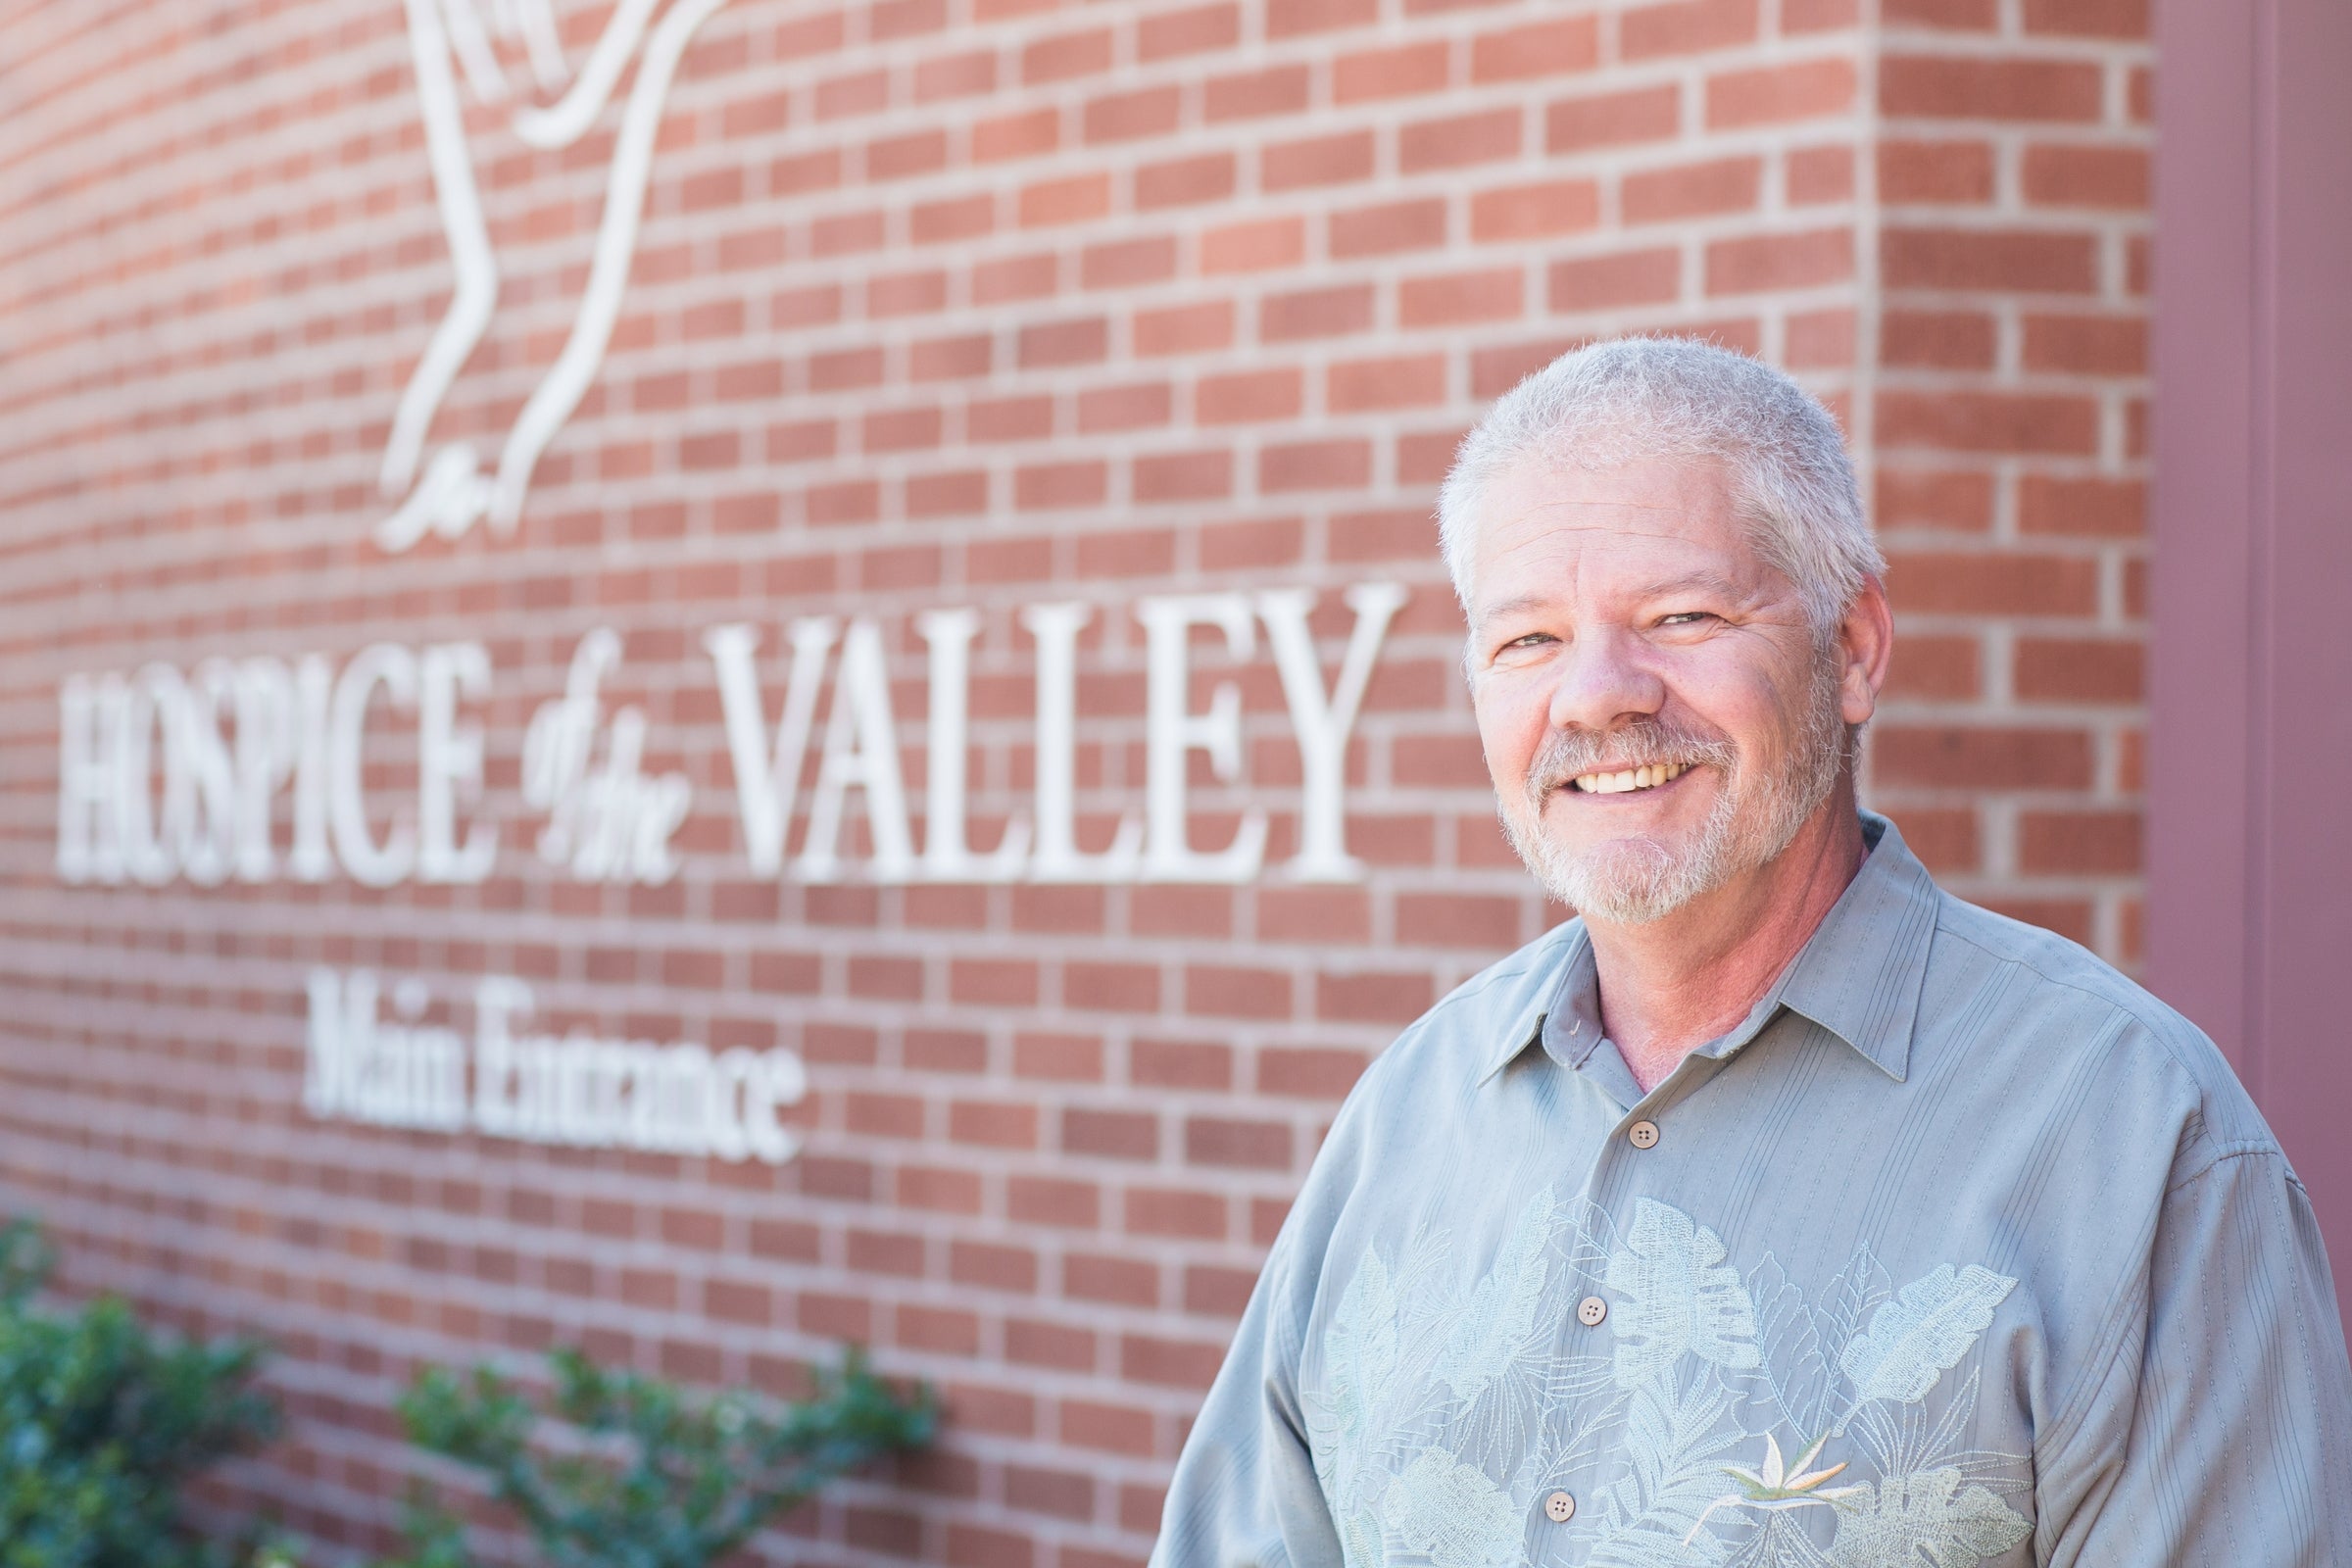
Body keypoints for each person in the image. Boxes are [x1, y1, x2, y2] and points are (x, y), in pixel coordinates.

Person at [1150, 338, 2352, 1568]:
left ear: (1855, 649)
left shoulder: (2138, 1142)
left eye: (1681, 616)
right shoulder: (1410, 1113)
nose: (1598, 696)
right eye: (1528, 641)